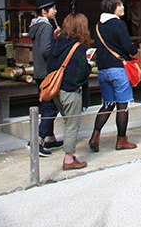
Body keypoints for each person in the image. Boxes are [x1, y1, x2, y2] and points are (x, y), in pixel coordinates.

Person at [90, 0, 139, 151]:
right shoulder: (119, 24)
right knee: (122, 106)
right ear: (112, 7)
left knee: (108, 104)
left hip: (103, 70)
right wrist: (134, 48)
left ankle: (95, 136)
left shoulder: (98, 26)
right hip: (118, 69)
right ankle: (121, 140)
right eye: (119, 5)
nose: (122, 7)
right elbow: (127, 47)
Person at [49, 13, 92, 170]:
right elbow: (80, 73)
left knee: (68, 122)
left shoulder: (56, 43)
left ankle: (70, 155)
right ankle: (68, 158)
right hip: (70, 90)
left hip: (56, 89)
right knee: (72, 125)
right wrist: (88, 66)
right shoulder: (78, 47)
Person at [29, 0, 61, 156]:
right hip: (46, 72)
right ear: (44, 11)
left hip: (39, 71)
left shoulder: (37, 26)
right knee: (50, 107)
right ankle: (37, 140)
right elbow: (45, 50)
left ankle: (50, 137)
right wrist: (58, 54)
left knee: (46, 105)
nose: (55, 11)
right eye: (53, 8)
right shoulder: (46, 27)